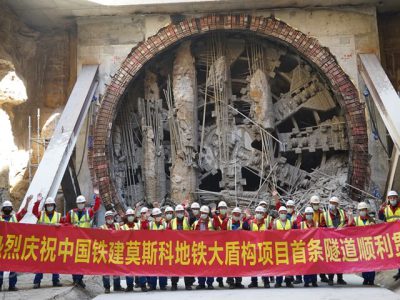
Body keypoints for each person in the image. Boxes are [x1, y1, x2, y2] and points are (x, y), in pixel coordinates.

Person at [64, 190, 101, 288]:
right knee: (74, 261)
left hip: (84, 241)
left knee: (82, 261)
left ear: (84, 203)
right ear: (77, 204)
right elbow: (65, 224)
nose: (80, 204)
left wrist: (97, 197)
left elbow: (96, 208)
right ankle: (75, 279)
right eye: (79, 203)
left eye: (82, 203)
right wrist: (72, 226)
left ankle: (79, 279)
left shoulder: (88, 212)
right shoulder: (71, 213)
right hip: (74, 241)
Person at [0, 195, 32, 292]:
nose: (7, 209)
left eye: (8, 208)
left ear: (11, 209)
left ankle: (12, 285)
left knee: (12, 267)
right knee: (1, 268)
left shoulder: (15, 218)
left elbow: (23, 212)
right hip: (2, 248)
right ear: (2, 209)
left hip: (13, 247)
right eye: (6, 208)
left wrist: (27, 202)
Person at [32, 195, 63, 289]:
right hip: (43, 242)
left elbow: (65, 224)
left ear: (54, 206)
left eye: (51, 205)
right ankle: (37, 281)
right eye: (48, 205)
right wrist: (37, 202)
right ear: (45, 206)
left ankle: (55, 280)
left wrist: (60, 224)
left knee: (55, 262)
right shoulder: (41, 214)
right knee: (41, 262)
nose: (49, 206)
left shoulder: (58, 215)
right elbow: (34, 212)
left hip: (54, 242)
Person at [323, 196, 348, 286]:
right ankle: (330, 279)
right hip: (330, 239)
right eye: (331, 203)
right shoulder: (325, 214)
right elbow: (321, 227)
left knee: (340, 259)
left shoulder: (341, 212)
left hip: (341, 239)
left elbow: (347, 222)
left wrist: (343, 227)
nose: (332, 205)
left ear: (337, 205)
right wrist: (328, 229)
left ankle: (340, 278)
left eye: (334, 203)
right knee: (332, 260)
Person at [221, 207, 248, 289]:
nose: (236, 215)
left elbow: (247, 229)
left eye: (238, 214)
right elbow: (222, 231)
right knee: (230, 265)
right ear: (232, 214)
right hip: (229, 246)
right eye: (235, 214)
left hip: (239, 247)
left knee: (239, 265)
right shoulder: (227, 222)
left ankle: (238, 281)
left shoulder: (241, 222)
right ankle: (230, 281)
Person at [121, 208, 147, 292]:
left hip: (137, 250)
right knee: (128, 269)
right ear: (126, 217)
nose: (130, 217)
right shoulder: (123, 227)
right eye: (129, 216)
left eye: (132, 215)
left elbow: (143, 235)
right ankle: (129, 286)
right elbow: (120, 239)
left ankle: (143, 285)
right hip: (127, 251)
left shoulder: (138, 226)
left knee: (140, 268)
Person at [350, 202, 376, 285]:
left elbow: (377, 231)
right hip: (361, 243)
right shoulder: (356, 220)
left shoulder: (372, 220)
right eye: (360, 210)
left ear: (366, 210)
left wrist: (373, 226)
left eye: (363, 210)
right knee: (364, 262)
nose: (362, 211)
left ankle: (371, 279)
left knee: (371, 262)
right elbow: (350, 228)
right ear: (358, 211)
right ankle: (365, 278)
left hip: (370, 243)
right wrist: (350, 217)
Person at [169, 204, 193, 290]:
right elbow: (167, 234)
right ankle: (174, 284)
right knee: (175, 267)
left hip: (186, 247)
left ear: (184, 212)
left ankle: (188, 284)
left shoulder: (187, 220)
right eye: (178, 212)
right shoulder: (172, 222)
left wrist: (188, 209)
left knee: (187, 266)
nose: (180, 213)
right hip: (175, 247)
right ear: (175, 213)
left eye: (181, 212)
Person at [100, 211, 124, 293]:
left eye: (111, 218)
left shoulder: (117, 226)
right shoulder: (102, 227)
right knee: (106, 271)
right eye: (108, 218)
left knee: (116, 270)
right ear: (105, 219)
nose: (110, 219)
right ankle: (107, 287)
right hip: (106, 252)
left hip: (115, 251)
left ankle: (117, 286)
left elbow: (123, 235)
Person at [248, 206, 271, 288]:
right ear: (255, 213)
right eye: (258, 212)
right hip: (254, 247)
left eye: (261, 213)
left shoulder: (266, 223)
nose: (259, 214)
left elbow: (272, 232)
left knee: (264, 265)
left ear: (264, 214)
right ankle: (254, 281)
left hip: (264, 247)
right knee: (253, 264)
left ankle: (266, 281)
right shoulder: (251, 223)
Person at [379, 190, 400, 280]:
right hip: (392, 235)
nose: (392, 199)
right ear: (388, 199)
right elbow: (382, 219)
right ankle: (399, 271)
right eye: (391, 198)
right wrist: (380, 210)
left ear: (397, 198)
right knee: (396, 253)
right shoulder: (386, 209)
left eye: (394, 197)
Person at [192, 205, 214, 289]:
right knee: (200, 265)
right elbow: (191, 235)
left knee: (210, 265)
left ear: (208, 214)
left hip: (210, 247)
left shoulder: (212, 222)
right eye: (202, 213)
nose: (203, 214)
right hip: (199, 247)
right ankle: (201, 283)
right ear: (200, 213)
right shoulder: (195, 223)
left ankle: (210, 283)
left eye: (205, 213)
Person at [272, 206, 294, 288]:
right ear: (279, 213)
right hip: (279, 246)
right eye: (281, 213)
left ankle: (288, 281)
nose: (283, 214)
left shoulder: (290, 222)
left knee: (289, 264)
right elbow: (272, 234)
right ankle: (278, 281)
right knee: (279, 265)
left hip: (288, 246)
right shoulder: (275, 223)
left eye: (284, 213)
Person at [309, 194, 328, 283]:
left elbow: (325, 224)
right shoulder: (307, 213)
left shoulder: (322, 214)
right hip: (310, 239)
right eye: (314, 204)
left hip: (320, 238)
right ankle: (311, 277)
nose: (316, 205)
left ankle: (323, 275)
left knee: (321, 257)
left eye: (317, 204)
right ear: (311, 204)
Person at [148, 207, 168, 291]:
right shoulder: (150, 224)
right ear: (153, 217)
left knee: (163, 267)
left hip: (163, 247)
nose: (158, 217)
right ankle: (153, 285)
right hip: (153, 248)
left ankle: (163, 285)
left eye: (159, 215)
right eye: (156, 215)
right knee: (153, 267)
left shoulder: (165, 224)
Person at [299, 207, 318, 287]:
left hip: (314, 246)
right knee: (306, 265)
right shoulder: (301, 224)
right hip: (304, 246)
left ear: (313, 215)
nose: (309, 215)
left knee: (314, 264)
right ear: (305, 215)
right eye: (307, 214)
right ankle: (306, 281)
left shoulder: (316, 224)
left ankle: (314, 281)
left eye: (310, 214)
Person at [213, 201, 229, 287]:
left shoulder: (229, 218)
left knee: (229, 262)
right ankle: (220, 280)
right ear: (218, 209)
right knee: (219, 262)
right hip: (218, 244)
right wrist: (215, 216)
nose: (223, 210)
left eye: (224, 208)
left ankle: (229, 279)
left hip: (229, 243)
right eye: (221, 208)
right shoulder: (216, 218)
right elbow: (219, 228)